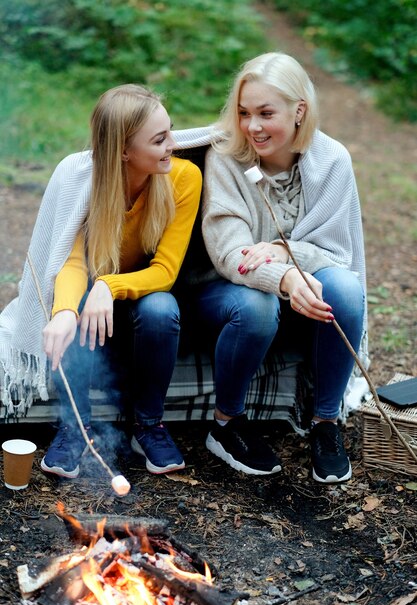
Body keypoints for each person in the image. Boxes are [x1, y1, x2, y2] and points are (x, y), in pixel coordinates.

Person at [0, 84, 202, 478]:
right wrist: (62, 313)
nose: (172, 146)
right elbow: (72, 261)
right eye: (159, 139)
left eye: (171, 132)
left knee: (163, 308)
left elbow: (166, 271)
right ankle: (76, 428)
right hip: (90, 307)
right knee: (68, 308)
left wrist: (109, 286)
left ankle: (147, 426)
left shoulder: (184, 178)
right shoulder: (84, 182)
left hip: (142, 299)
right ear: (124, 151)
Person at [195, 52, 366, 483]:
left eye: (266, 114)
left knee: (344, 289)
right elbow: (230, 253)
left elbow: (336, 252)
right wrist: (287, 276)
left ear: (299, 111)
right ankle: (226, 423)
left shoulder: (332, 161)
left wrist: (283, 252)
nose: (252, 127)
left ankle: (325, 423)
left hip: (302, 292)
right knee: (256, 305)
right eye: (244, 113)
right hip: (225, 291)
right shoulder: (226, 157)